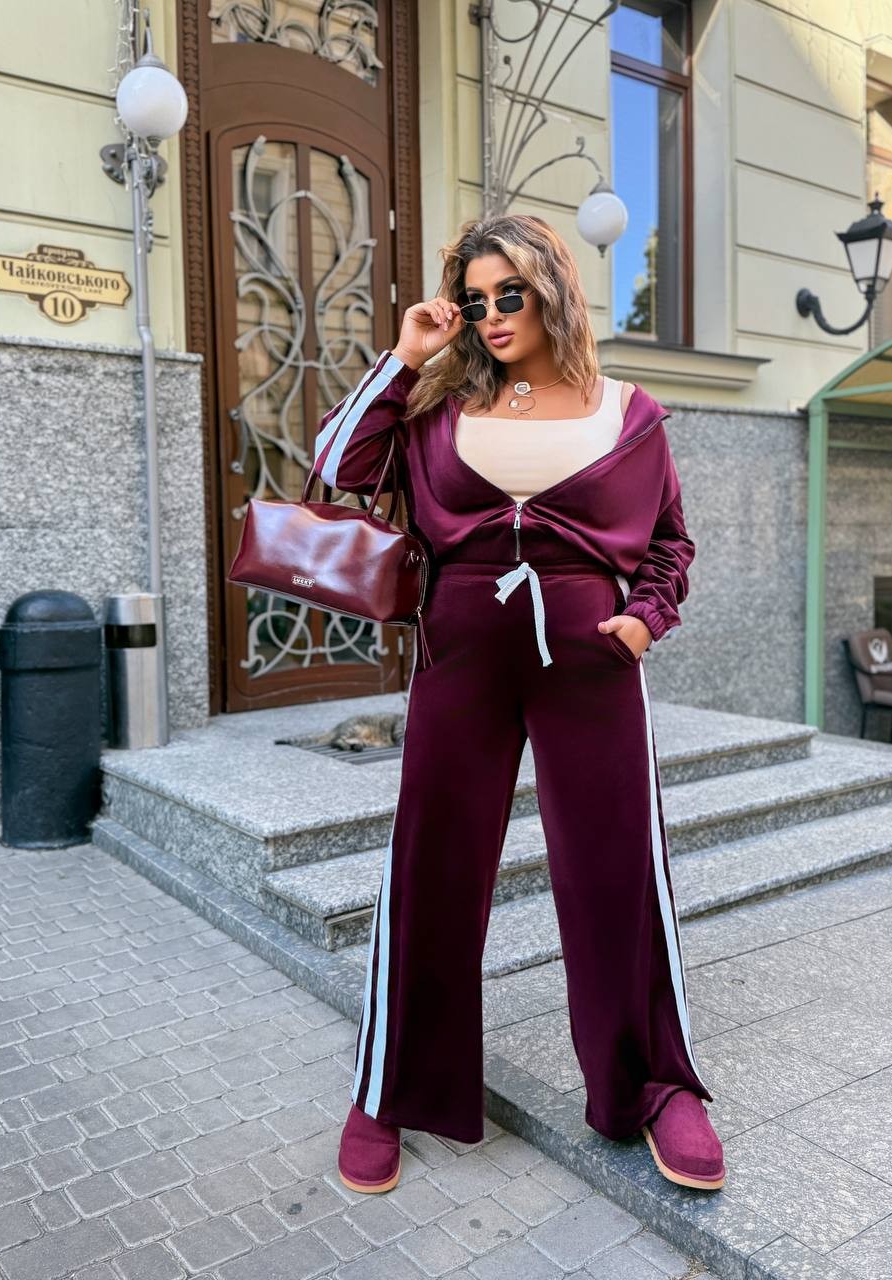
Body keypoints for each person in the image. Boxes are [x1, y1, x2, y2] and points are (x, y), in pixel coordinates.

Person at [313, 214, 725, 1195]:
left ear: (553, 292)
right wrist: (407, 356)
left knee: (617, 870)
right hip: (459, 655)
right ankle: (389, 1088)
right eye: (475, 299)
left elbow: (670, 541)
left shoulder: (627, 411)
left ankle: (655, 1086)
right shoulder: (436, 406)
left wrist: (642, 621)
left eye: (511, 294)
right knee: (432, 865)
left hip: (591, 660)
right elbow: (337, 466)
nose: (493, 314)